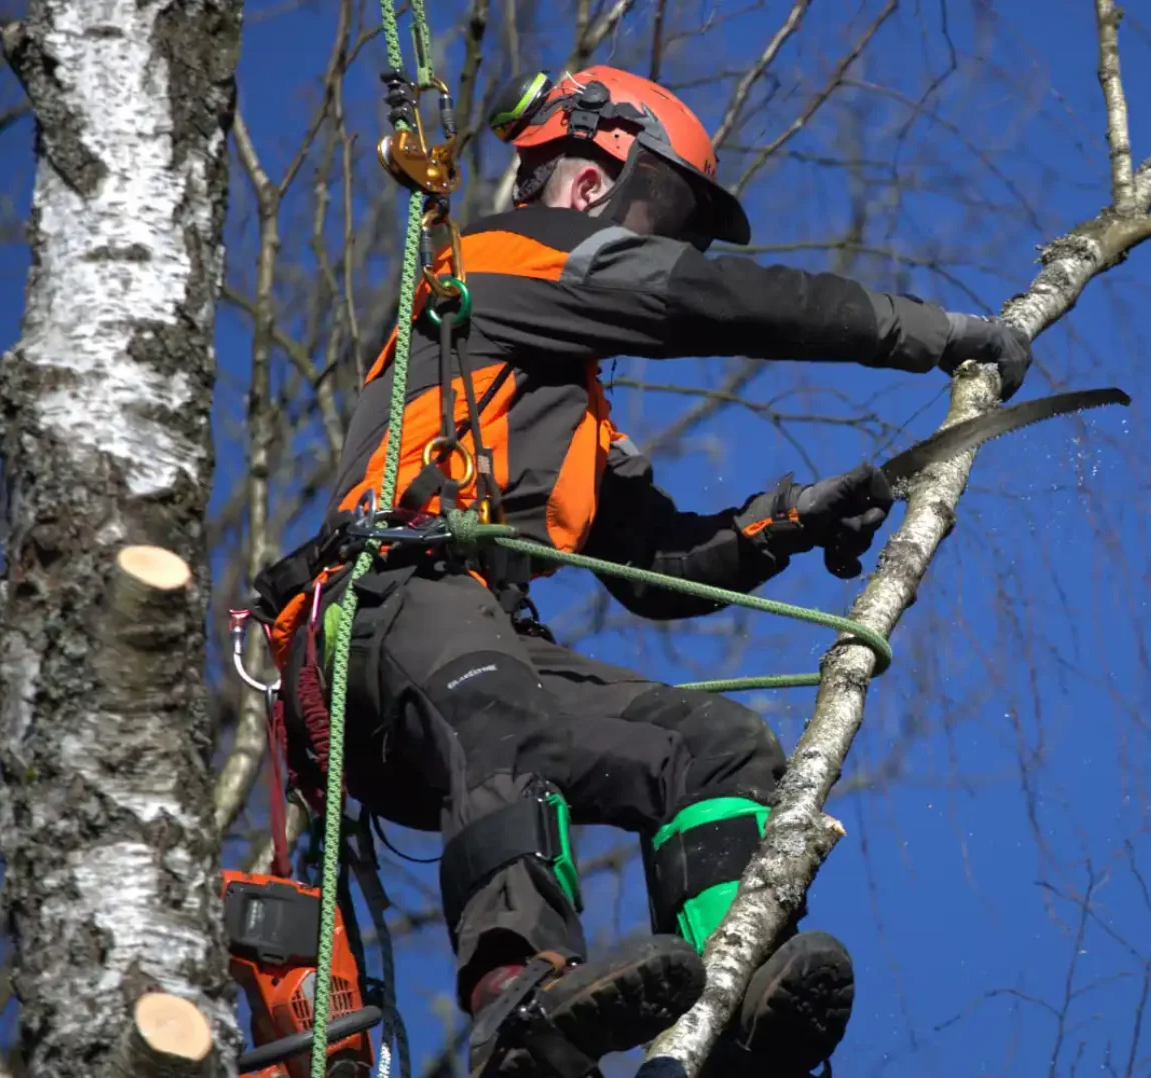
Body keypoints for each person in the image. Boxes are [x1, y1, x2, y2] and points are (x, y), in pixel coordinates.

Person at [252, 64, 1032, 1078]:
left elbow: (656, 566)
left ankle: (734, 1002)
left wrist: (789, 523)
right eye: (660, 211)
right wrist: (928, 333)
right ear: (585, 176)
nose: (663, 245)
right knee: (501, 703)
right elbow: (711, 301)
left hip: (478, 648)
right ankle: (519, 1001)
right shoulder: (494, 261)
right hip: (387, 619)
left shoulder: (560, 400)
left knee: (714, 747)